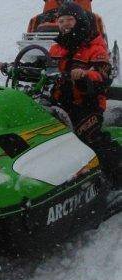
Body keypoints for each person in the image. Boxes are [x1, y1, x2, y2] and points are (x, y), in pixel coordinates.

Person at [49, 2, 121, 188]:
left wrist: (85, 75)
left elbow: (103, 75)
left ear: (79, 20)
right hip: (59, 103)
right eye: (61, 20)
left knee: (87, 137)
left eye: (69, 20)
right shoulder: (57, 47)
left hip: (87, 105)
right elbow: (44, 67)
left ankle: (117, 176)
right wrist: (14, 68)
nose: (65, 24)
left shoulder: (94, 47)